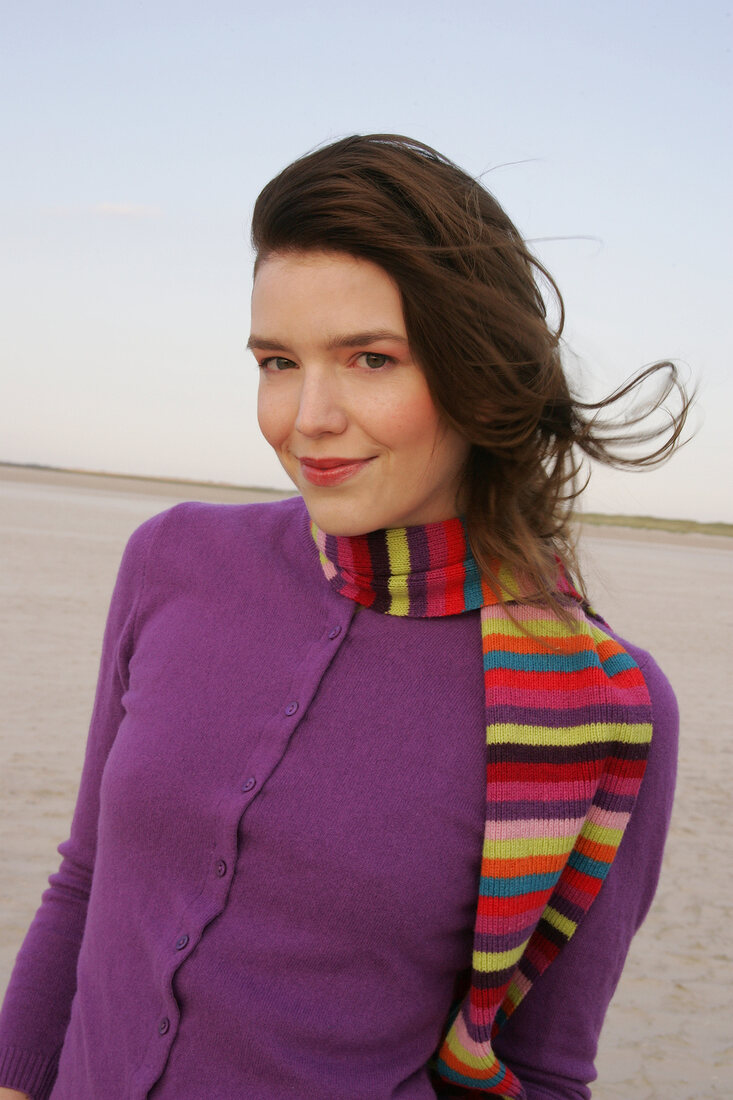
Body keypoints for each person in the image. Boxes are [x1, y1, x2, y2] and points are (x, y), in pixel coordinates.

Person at [0, 135, 689, 1100]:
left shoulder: (598, 708)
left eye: (369, 358)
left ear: (475, 369)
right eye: (278, 361)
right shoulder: (174, 560)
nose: (307, 416)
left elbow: (541, 1066)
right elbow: (85, 883)